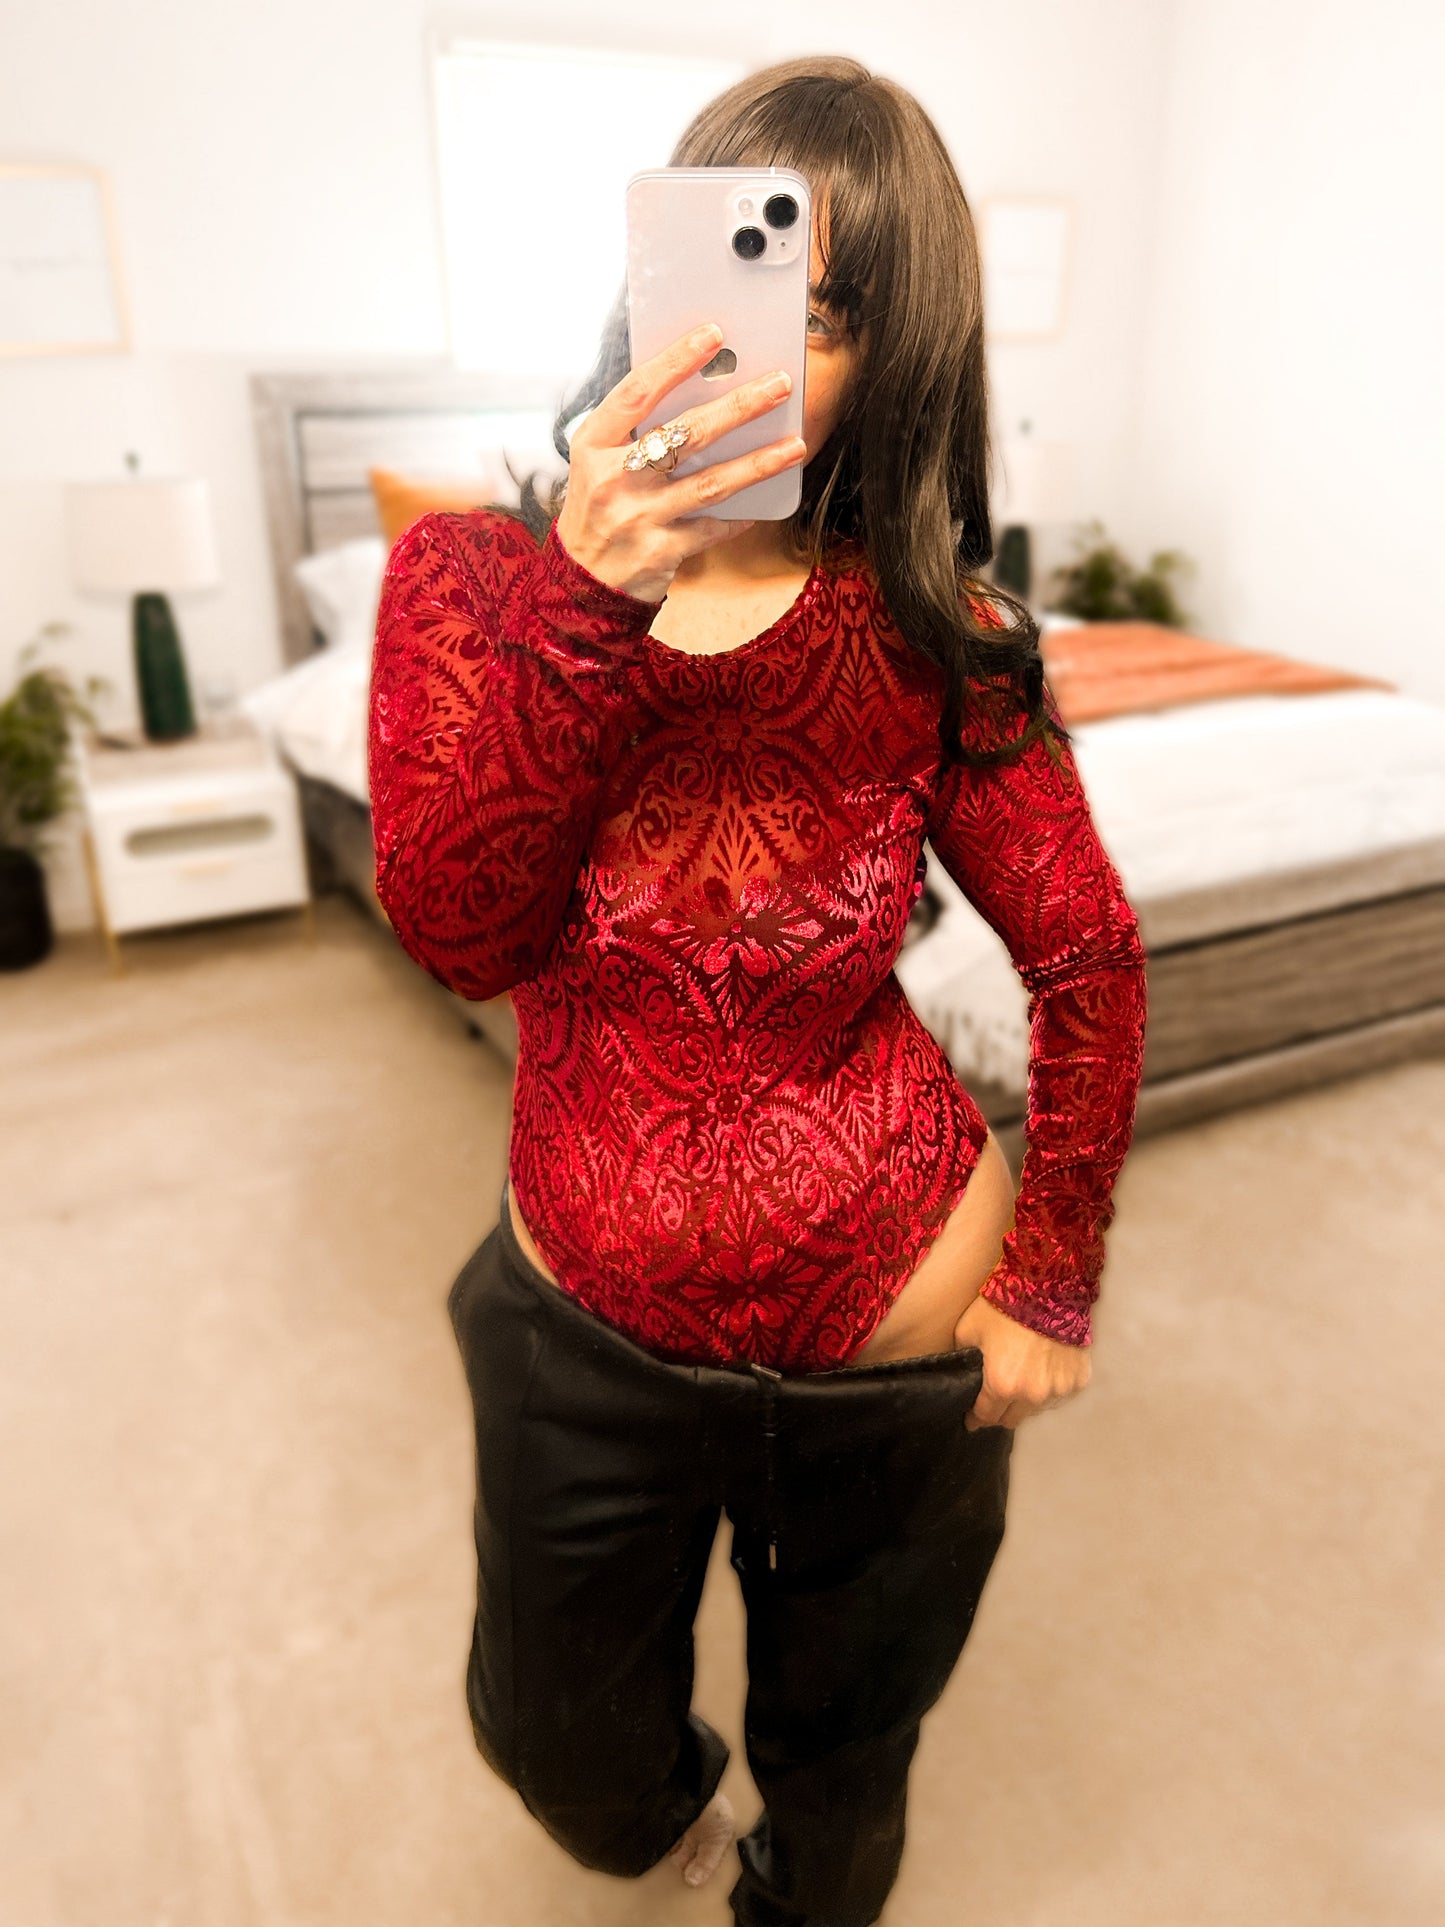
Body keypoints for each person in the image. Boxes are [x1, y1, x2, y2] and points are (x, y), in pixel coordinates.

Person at [367, 54, 1148, 1927]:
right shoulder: (468, 581)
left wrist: (1051, 1269)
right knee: (556, 1738)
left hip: (895, 1355)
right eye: (732, 278)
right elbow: (463, 932)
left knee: (847, 1765)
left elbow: (1086, 954)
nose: (756, 348)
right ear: (649, 279)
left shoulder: (940, 634)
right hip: (578, 1325)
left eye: (829, 313)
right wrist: (586, 604)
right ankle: (681, 1840)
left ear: (895, 361)